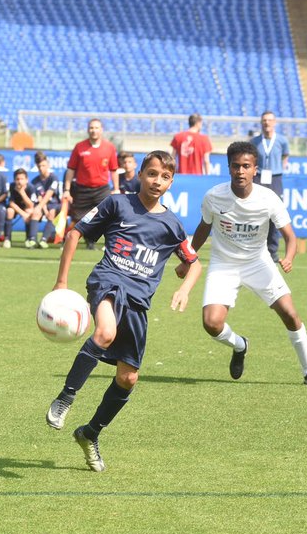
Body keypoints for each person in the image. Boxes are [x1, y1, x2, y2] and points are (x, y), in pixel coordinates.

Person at [45, 150, 202, 471]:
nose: (157, 181)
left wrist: (184, 287)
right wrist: (61, 283)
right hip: (108, 282)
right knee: (105, 332)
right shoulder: (117, 204)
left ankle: (90, 433)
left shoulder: (171, 224)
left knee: (128, 378)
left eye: (165, 177)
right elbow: (74, 233)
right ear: (140, 174)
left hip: (137, 303)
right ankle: (66, 397)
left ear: (171, 183)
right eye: (152, 173)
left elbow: (194, 262)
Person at [188, 141, 307, 388]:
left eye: (246, 166)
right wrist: (188, 258)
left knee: (290, 314)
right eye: (235, 166)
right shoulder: (214, 196)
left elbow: (290, 237)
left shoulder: (268, 198)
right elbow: (203, 228)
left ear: (255, 169)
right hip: (223, 264)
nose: (240, 171)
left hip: (258, 262)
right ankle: (240, 345)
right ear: (229, 168)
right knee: (211, 323)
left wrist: (289, 257)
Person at [64, 118, 119, 247]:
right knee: (79, 218)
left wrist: (116, 188)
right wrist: (66, 190)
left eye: (96, 128)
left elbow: (114, 170)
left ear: (101, 130)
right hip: (82, 189)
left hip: (102, 189)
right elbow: (71, 169)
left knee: (108, 216)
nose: (94, 130)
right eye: (91, 128)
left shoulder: (109, 147)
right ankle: (81, 240)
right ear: (88, 130)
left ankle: (109, 245)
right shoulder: (79, 147)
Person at [249, 111, 290, 199]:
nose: (267, 122)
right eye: (264, 120)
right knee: (256, 202)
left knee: (276, 202)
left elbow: (285, 155)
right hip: (259, 176)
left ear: (274, 122)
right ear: (261, 122)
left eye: (270, 120)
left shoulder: (282, 140)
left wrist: (279, 167)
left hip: (275, 177)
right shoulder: (254, 141)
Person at [32, 151, 63, 245]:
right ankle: (32, 240)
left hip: (54, 204)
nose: (41, 168)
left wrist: (40, 208)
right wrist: (44, 210)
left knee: (52, 212)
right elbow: (39, 197)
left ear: (48, 165)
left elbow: (49, 194)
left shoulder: (54, 178)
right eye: (39, 166)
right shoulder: (35, 181)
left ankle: (44, 240)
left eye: (43, 165)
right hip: (42, 205)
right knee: (35, 213)